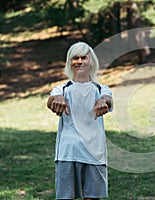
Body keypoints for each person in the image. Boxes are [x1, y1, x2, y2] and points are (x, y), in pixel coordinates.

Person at [47, 42, 113, 200]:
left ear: (91, 60)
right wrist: (57, 99)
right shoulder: (61, 89)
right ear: (70, 62)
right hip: (68, 153)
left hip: (94, 153)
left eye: (84, 57)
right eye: (75, 58)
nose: (79, 61)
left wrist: (103, 102)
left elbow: (107, 99)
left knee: (92, 197)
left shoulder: (101, 88)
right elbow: (51, 100)